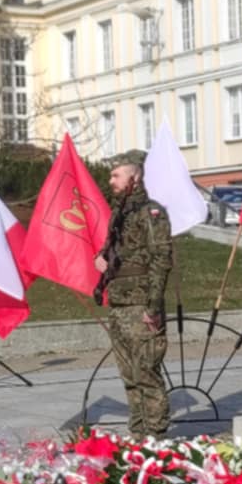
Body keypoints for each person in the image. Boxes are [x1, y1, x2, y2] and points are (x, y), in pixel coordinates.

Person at [93, 150, 172, 437]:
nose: (111, 180)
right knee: (129, 376)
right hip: (119, 304)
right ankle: (138, 436)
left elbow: (161, 259)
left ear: (134, 177)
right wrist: (101, 260)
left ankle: (157, 438)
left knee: (147, 373)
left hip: (140, 305)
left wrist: (152, 307)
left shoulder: (150, 212)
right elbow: (112, 251)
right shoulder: (120, 213)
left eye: (116, 175)